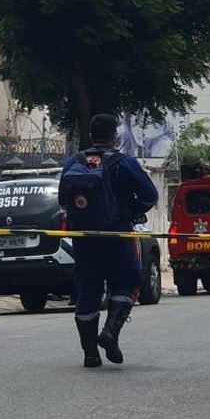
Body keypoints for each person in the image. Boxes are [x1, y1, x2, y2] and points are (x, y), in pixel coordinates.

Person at [59, 114, 158, 368]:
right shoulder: (123, 163)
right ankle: (111, 332)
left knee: (87, 290)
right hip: (117, 236)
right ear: (114, 135)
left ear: (91, 135)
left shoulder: (73, 163)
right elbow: (150, 195)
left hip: (84, 239)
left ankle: (90, 353)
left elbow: (63, 201)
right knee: (127, 281)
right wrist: (131, 211)